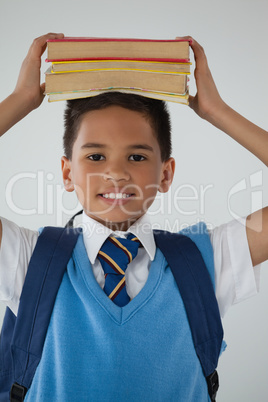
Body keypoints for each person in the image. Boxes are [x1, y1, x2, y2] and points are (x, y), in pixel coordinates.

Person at [0, 33, 267, 400]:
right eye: (95, 157)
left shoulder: (205, 261)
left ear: (166, 174)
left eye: (137, 157)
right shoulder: (31, 261)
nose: (116, 173)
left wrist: (216, 111)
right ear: (66, 173)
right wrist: (19, 101)